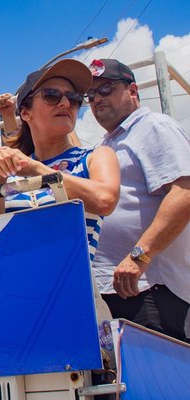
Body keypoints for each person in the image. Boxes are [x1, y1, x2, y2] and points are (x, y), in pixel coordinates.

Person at [87, 58, 190, 342]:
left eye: (105, 89)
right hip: (118, 290)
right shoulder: (107, 145)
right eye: (91, 95)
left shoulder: (153, 126)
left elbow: (184, 194)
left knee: (160, 382)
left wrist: (139, 257)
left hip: (150, 289)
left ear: (133, 90)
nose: (97, 99)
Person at [0, 59, 120, 264]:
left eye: (73, 98)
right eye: (51, 95)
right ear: (26, 113)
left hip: (73, 289)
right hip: (15, 288)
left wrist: (35, 169)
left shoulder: (95, 156)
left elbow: (104, 200)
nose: (65, 103)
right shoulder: (14, 170)